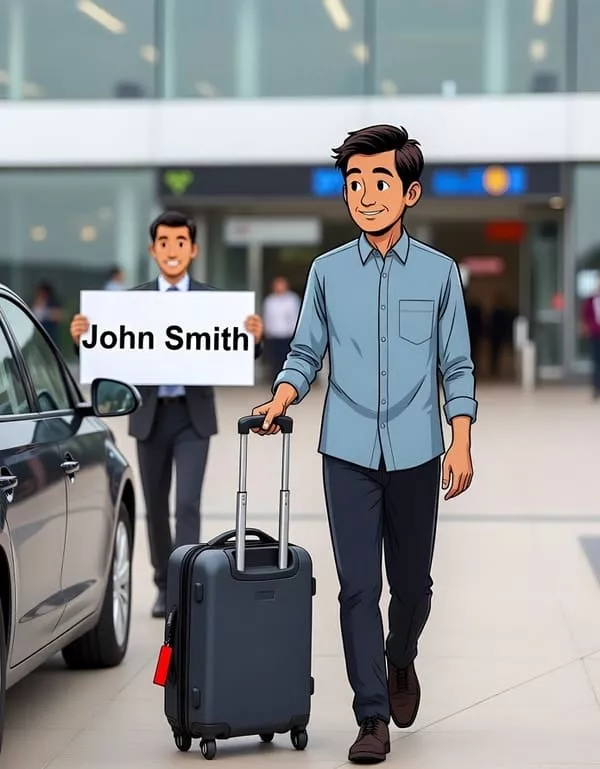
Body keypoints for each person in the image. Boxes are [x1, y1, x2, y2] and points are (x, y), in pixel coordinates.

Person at [251, 125, 477, 764]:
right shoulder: (325, 272)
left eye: (381, 182)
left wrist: (460, 441)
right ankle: (370, 715)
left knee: (412, 586)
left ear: (410, 193)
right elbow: (305, 351)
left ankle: (400, 657)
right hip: (346, 449)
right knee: (356, 586)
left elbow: (456, 365)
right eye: (355, 183)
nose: (366, 194)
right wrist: (284, 396)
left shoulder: (439, 274)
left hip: (417, 451)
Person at [70, 210, 264, 618]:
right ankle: (163, 582)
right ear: (152, 249)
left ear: (193, 249)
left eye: (180, 243)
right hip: (149, 418)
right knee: (156, 506)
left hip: (193, 418)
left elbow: (240, 354)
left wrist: (255, 339)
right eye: (164, 243)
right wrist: (82, 340)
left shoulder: (216, 304)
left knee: (188, 503)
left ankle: (184, 585)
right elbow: (106, 353)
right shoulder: (132, 303)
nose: (172, 251)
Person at [262, 276, 301, 381]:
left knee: (288, 359)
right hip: (274, 335)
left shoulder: (292, 299)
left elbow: (295, 316)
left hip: (288, 335)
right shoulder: (270, 300)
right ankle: (276, 380)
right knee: (275, 360)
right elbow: (267, 317)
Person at [581, 276, 600, 397]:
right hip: (595, 335)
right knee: (596, 362)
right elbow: (585, 316)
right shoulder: (590, 301)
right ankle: (596, 388)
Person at [31, 282, 63, 346]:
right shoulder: (33, 303)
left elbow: (59, 315)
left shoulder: (53, 303)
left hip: (49, 337)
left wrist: (46, 314)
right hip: (36, 338)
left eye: (42, 292)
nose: (40, 294)